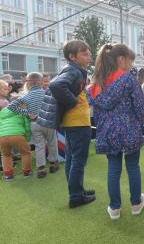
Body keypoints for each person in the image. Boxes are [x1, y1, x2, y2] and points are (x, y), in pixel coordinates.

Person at [88, 43, 144, 220]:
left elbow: (97, 112)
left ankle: (114, 208)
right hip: (129, 130)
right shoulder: (128, 79)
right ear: (121, 59)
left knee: (113, 169)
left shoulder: (96, 84)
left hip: (107, 133)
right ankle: (136, 204)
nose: (131, 65)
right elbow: (140, 107)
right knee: (133, 167)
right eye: (130, 60)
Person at [49, 40, 95, 208]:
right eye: (84, 54)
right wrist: (73, 102)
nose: (89, 56)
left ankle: (77, 191)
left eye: (89, 53)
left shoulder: (74, 70)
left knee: (71, 158)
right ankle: (76, 196)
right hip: (78, 122)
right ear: (72, 57)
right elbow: (56, 85)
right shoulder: (73, 71)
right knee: (78, 160)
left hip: (72, 122)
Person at [0, 73, 46, 181]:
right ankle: (26, 172)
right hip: (17, 135)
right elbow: (26, 125)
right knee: (25, 152)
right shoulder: (23, 112)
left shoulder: (3, 112)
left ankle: (8, 175)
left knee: (6, 155)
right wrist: (27, 137)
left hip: (2, 136)